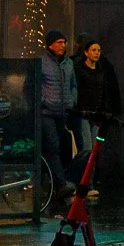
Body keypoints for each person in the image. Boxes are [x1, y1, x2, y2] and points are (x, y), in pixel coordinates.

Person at [72, 38, 123, 198]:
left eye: (99, 50)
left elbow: (105, 93)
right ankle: (82, 184)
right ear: (86, 52)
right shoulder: (79, 70)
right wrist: (79, 108)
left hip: (97, 115)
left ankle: (89, 184)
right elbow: (77, 91)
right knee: (86, 149)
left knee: (94, 151)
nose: (97, 53)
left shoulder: (102, 70)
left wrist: (106, 110)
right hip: (84, 114)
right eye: (93, 50)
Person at [35, 30, 79, 199]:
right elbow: (32, 86)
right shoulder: (42, 62)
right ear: (50, 45)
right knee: (53, 147)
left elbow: (73, 84)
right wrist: (42, 102)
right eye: (59, 42)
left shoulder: (68, 64)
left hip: (62, 113)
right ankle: (60, 184)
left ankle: (50, 183)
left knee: (57, 148)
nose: (63, 45)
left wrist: (72, 101)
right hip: (47, 112)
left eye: (64, 42)